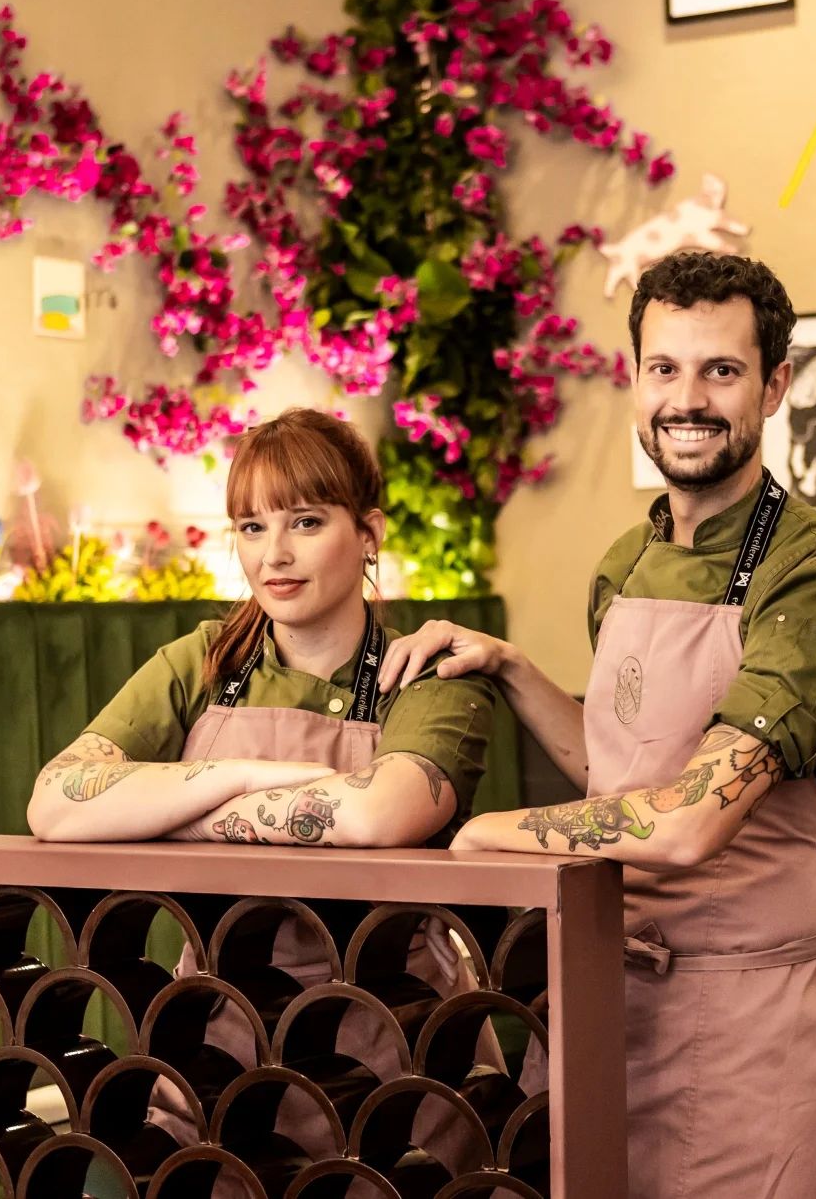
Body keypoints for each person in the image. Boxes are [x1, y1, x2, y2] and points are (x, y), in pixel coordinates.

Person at [380, 251, 816, 1196]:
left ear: (773, 386)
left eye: (720, 370)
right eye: (664, 368)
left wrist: (493, 834)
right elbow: (622, 780)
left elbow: (687, 817)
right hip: (613, 1010)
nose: (687, 398)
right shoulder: (627, 558)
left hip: (753, 1036)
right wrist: (511, 666)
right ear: (636, 378)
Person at [26, 407, 499, 1158]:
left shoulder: (432, 674)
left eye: (306, 522)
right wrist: (244, 773)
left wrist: (170, 804)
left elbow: (379, 813)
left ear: (368, 532)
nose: (274, 553)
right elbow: (54, 799)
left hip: (394, 1049)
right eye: (251, 527)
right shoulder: (204, 659)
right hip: (218, 1041)